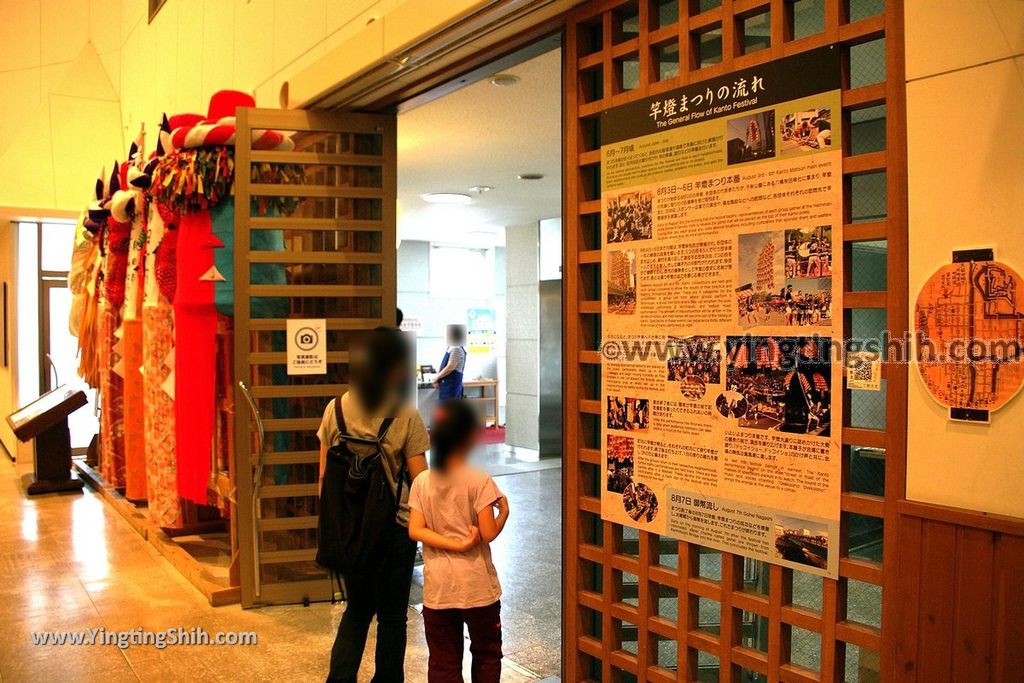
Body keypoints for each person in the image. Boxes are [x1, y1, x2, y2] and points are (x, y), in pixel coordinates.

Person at [317, 327, 430, 683]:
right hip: (394, 531)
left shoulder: (335, 408)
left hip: (350, 528)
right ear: (394, 367)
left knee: (358, 608)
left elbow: (324, 477)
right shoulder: (405, 414)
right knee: (393, 617)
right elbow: (421, 481)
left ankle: (340, 679)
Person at [408, 400, 510, 683]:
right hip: (477, 588)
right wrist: (504, 513)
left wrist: (451, 544)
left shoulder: (422, 482)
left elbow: (415, 530)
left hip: (439, 590)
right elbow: (488, 533)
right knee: (487, 653)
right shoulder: (478, 480)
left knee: (443, 662)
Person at [433, 324, 467, 400]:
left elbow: (450, 367)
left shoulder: (457, 348)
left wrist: (437, 377)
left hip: (452, 387)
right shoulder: (451, 347)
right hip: (447, 385)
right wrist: (438, 376)